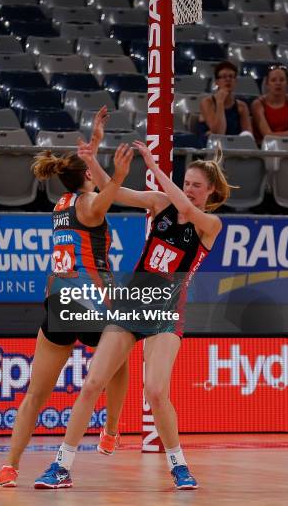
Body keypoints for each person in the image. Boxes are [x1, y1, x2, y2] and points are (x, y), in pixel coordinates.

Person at [34, 133, 230, 492]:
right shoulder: (159, 203)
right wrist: (91, 160)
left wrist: (154, 166)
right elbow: (114, 192)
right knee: (93, 382)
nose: (188, 190)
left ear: (211, 194)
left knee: (156, 391)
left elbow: (186, 211)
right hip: (131, 305)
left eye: (196, 186)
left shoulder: (210, 226)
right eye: (186, 183)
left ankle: (179, 466)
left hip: (166, 314)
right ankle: (61, 465)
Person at [0, 114, 134, 488]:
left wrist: (94, 145)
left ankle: (9, 466)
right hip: (90, 302)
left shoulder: (62, 204)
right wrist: (117, 174)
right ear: (87, 176)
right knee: (119, 359)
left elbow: (85, 180)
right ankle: (112, 430)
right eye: (91, 169)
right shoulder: (89, 204)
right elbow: (106, 196)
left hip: (58, 304)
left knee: (35, 394)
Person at [198, 60, 253, 140]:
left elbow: (248, 137)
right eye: (223, 77)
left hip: (234, 147)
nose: (228, 79)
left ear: (235, 81)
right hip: (211, 147)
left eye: (231, 76)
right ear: (217, 82)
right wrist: (220, 102)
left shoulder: (241, 106)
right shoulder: (207, 103)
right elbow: (218, 133)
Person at [252, 64, 288, 143]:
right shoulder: (258, 104)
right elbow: (267, 135)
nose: (278, 83)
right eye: (273, 80)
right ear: (267, 84)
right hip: (266, 147)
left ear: (287, 83)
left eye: (282, 80)